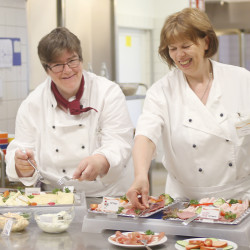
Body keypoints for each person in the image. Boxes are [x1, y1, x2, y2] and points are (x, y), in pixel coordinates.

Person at [126, 7, 250, 209]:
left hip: (239, 200)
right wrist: (140, 175)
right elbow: (145, 136)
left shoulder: (241, 79)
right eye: (172, 48)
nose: (179, 55)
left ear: (206, 42)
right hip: (186, 203)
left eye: (185, 45)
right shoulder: (162, 91)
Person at [6, 27, 134, 197]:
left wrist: (100, 160)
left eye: (72, 61)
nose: (67, 70)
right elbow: (21, 150)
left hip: (108, 195)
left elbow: (119, 142)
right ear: (47, 69)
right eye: (57, 65)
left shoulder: (107, 93)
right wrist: (22, 165)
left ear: (81, 60)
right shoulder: (32, 104)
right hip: (56, 198)